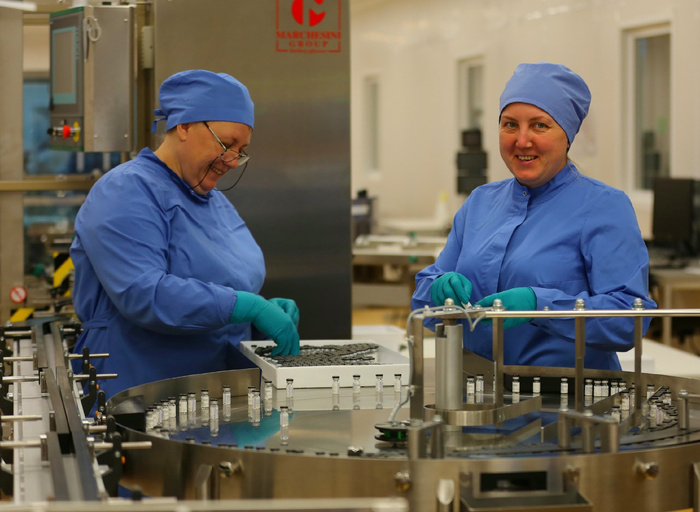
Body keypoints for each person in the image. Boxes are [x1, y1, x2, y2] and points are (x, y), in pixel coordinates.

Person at [70, 69, 300, 400]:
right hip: (138, 394)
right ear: (184, 127)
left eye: (241, 150)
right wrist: (244, 306)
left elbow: (225, 290)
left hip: (218, 395)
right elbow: (143, 294)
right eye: (227, 144)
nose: (232, 161)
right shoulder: (126, 189)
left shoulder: (212, 200)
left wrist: (259, 315)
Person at [411, 62, 656, 371]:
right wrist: (438, 288)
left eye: (540, 126)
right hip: (474, 393)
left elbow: (630, 319)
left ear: (567, 136)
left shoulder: (603, 206)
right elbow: (424, 298)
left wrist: (541, 305)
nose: (522, 140)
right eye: (510, 125)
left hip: (566, 396)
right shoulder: (480, 203)